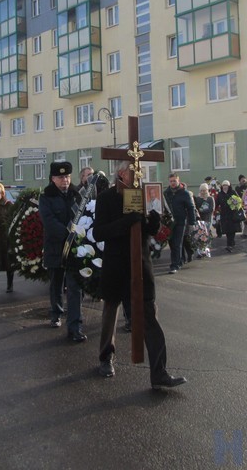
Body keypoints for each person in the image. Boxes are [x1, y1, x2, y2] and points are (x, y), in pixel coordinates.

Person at [92, 161, 187, 389]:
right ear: (121, 173)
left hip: (140, 264)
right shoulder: (106, 197)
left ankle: (159, 372)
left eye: (140, 172)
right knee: (111, 312)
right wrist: (126, 223)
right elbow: (98, 232)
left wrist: (153, 219)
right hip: (116, 264)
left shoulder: (145, 194)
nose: (138, 175)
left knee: (149, 316)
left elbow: (151, 230)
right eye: (134, 171)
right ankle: (106, 357)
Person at [39, 160, 87, 342]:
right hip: (56, 247)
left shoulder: (77, 194)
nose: (65, 180)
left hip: (75, 250)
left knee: (75, 287)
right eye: (60, 177)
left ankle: (75, 326)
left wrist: (79, 237)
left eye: (67, 176)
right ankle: (56, 312)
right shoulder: (47, 197)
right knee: (56, 282)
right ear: (53, 179)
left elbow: (85, 216)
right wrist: (69, 235)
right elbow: (49, 222)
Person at [163, 173, 196, 274]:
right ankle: (180, 260)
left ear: (178, 181)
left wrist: (192, 222)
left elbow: (191, 208)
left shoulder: (184, 193)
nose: (172, 183)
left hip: (181, 222)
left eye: (174, 181)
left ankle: (175, 265)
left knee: (177, 243)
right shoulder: (166, 193)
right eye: (171, 181)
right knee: (173, 244)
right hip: (170, 223)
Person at [216, 180, 241, 252]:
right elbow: (217, 203)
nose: (225, 187)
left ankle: (231, 244)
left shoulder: (233, 192)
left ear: (229, 186)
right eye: (223, 185)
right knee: (227, 230)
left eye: (226, 185)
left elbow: (238, 201)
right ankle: (229, 244)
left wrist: (235, 205)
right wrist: (215, 210)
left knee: (232, 230)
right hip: (224, 214)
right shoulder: (220, 194)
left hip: (232, 214)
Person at [193, 183, 215, 258]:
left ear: (207, 190)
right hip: (200, 220)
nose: (203, 192)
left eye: (204, 190)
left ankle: (206, 250)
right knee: (199, 235)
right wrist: (200, 211)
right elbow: (196, 209)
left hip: (208, 219)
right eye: (201, 190)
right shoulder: (198, 198)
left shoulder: (210, 198)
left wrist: (203, 210)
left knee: (206, 234)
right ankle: (200, 251)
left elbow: (211, 209)